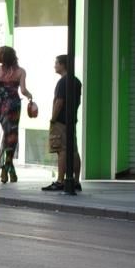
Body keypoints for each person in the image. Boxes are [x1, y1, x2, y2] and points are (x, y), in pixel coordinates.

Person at [0, 46, 33, 184]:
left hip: (0, 105)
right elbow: (23, 90)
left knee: (7, 134)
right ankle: (7, 166)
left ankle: (8, 167)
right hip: (14, 105)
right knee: (12, 135)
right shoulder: (20, 71)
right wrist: (30, 96)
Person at [43, 54, 82, 192]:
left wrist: (53, 119)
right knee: (74, 150)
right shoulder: (76, 81)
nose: (55, 65)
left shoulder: (62, 82)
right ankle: (76, 180)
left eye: (57, 63)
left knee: (62, 151)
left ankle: (60, 181)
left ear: (63, 65)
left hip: (61, 121)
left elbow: (59, 102)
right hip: (72, 120)